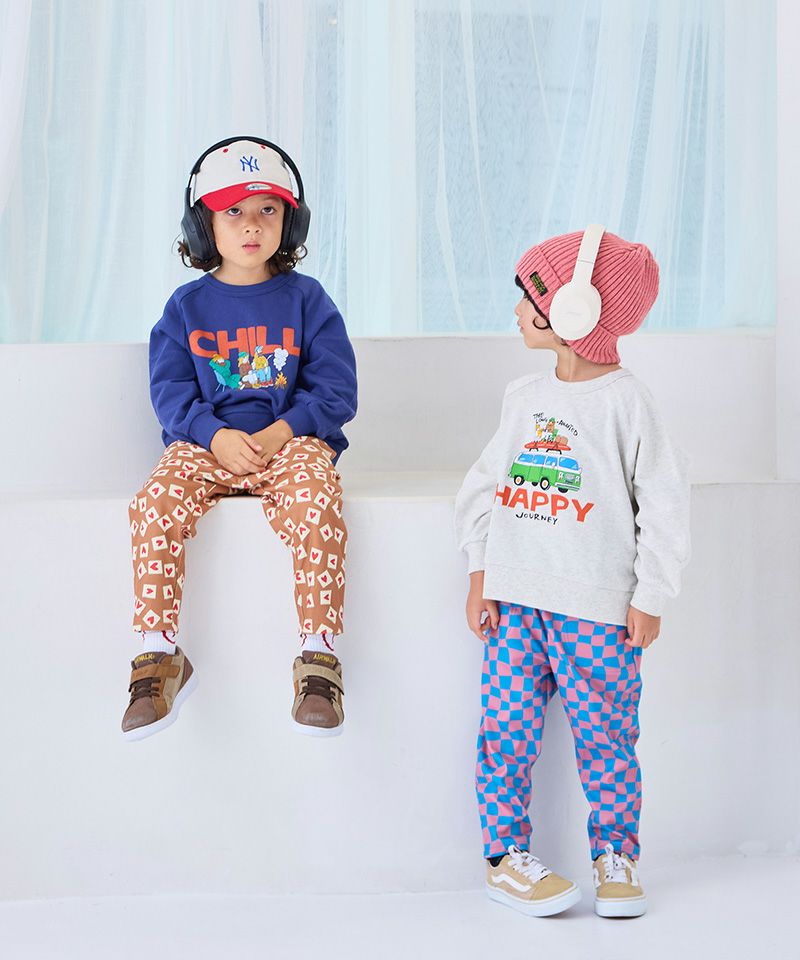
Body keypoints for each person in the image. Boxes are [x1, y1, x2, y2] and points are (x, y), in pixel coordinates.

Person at [454, 226, 690, 918]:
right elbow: (484, 487)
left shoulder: (628, 402)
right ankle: (505, 858)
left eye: (529, 296)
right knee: (505, 736)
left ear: (575, 309)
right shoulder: (523, 396)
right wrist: (480, 571)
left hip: (599, 612)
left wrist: (651, 595)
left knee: (608, 742)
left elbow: (665, 504)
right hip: (515, 606)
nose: (517, 308)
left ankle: (616, 856)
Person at [121, 137, 357, 742]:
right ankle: (158, 655)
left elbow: (336, 390)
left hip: (289, 442)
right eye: (233, 212)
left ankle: (319, 659)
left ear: (291, 221)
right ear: (203, 225)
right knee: (153, 503)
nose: (252, 225)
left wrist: (282, 432)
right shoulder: (185, 307)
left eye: (268, 210)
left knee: (317, 501)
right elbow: (170, 393)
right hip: (207, 445)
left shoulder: (308, 300)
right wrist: (214, 435)